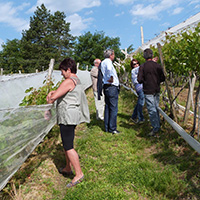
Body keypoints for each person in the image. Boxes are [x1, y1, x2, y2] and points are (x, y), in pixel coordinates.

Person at [46, 58, 90, 188]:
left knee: (69, 146)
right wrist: (53, 92)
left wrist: (49, 101)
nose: (61, 74)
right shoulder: (77, 80)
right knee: (67, 142)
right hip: (73, 114)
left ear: (68, 70)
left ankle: (79, 174)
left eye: (62, 71)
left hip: (67, 116)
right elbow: (60, 93)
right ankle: (67, 168)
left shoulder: (68, 81)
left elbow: (54, 97)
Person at [137, 48, 165, 136]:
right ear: (152, 55)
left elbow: (139, 80)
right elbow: (163, 78)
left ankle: (156, 128)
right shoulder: (157, 66)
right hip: (156, 89)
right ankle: (158, 125)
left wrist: (146, 80)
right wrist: (156, 81)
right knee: (156, 107)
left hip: (148, 90)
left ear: (144, 57)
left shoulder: (143, 66)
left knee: (151, 109)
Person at [101, 49, 120, 134]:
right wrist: (111, 77)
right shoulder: (108, 62)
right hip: (112, 87)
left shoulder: (102, 62)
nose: (114, 56)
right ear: (111, 55)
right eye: (113, 54)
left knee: (108, 107)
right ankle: (112, 128)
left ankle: (107, 127)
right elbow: (109, 70)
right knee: (113, 108)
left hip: (106, 86)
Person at [130, 59, 145, 124]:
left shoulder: (140, 69)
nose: (136, 65)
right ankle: (140, 118)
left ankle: (134, 116)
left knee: (139, 102)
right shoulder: (134, 70)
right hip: (139, 87)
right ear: (132, 66)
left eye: (137, 63)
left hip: (142, 87)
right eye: (134, 64)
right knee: (141, 103)